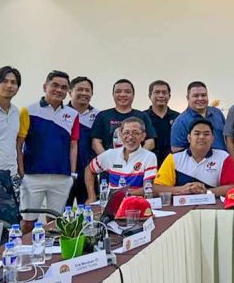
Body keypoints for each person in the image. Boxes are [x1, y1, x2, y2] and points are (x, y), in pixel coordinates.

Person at [17, 70, 79, 226]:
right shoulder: (28, 111)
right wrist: (22, 173)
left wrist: (72, 173)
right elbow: (18, 144)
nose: (59, 90)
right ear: (45, 86)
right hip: (33, 176)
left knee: (55, 223)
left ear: (68, 91)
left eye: (63, 87)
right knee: (28, 222)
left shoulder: (73, 114)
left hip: (62, 177)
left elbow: (73, 145)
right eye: (55, 85)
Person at [154, 118, 234, 197]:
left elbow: (233, 187)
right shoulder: (174, 158)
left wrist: (207, 192)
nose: (201, 137)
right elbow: (156, 189)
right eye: (197, 133)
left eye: (206, 134)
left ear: (213, 138)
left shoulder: (223, 157)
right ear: (189, 138)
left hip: (213, 205)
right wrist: (181, 189)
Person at [85, 117, 158, 201]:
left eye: (135, 133)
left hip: (137, 203)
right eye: (126, 132)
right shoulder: (110, 154)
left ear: (143, 136)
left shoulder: (149, 157)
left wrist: (123, 194)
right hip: (112, 204)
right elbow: (89, 170)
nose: (130, 137)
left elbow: (148, 188)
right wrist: (91, 197)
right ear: (121, 135)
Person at [90, 79, 157, 154]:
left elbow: (150, 142)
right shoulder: (103, 116)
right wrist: (107, 158)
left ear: (133, 95)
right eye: (118, 91)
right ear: (113, 94)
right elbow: (96, 143)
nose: (122, 94)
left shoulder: (142, 116)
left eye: (127, 92)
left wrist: (137, 157)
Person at [66, 76, 99, 205]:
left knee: (90, 211)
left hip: (89, 174)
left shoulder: (98, 116)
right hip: (64, 173)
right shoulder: (61, 113)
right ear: (70, 92)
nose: (84, 93)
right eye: (80, 89)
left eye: (87, 90)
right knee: (60, 212)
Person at [170, 81, 227, 153]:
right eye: (196, 96)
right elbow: (177, 151)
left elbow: (226, 138)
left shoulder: (217, 113)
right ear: (187, 98)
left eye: (203, 95)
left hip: (223, 159)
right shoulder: (180, 122)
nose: (200, 98)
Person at [145, 80, 179, 166]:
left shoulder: (178, 118)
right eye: (157, 92)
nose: (161, 95)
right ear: (149, 96)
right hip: (148, 164)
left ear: (169, 96)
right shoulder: (142, 117)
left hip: (173, 164)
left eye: (164, 93)